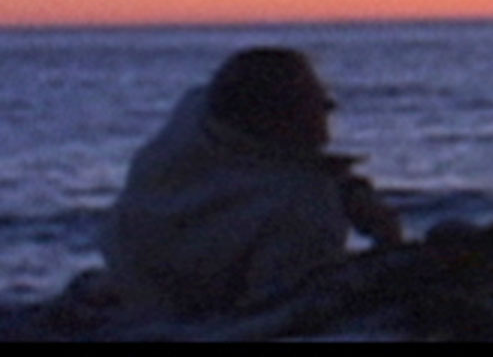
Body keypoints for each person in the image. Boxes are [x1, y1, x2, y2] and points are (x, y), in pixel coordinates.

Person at [99, 48, 402, 320]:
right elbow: (285, 310)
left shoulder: (187, 142)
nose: (329, 106)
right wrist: (388, 243)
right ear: (280, 118)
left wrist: (342, 183)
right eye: (314, 99)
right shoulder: (300, 203)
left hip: (138, 289)